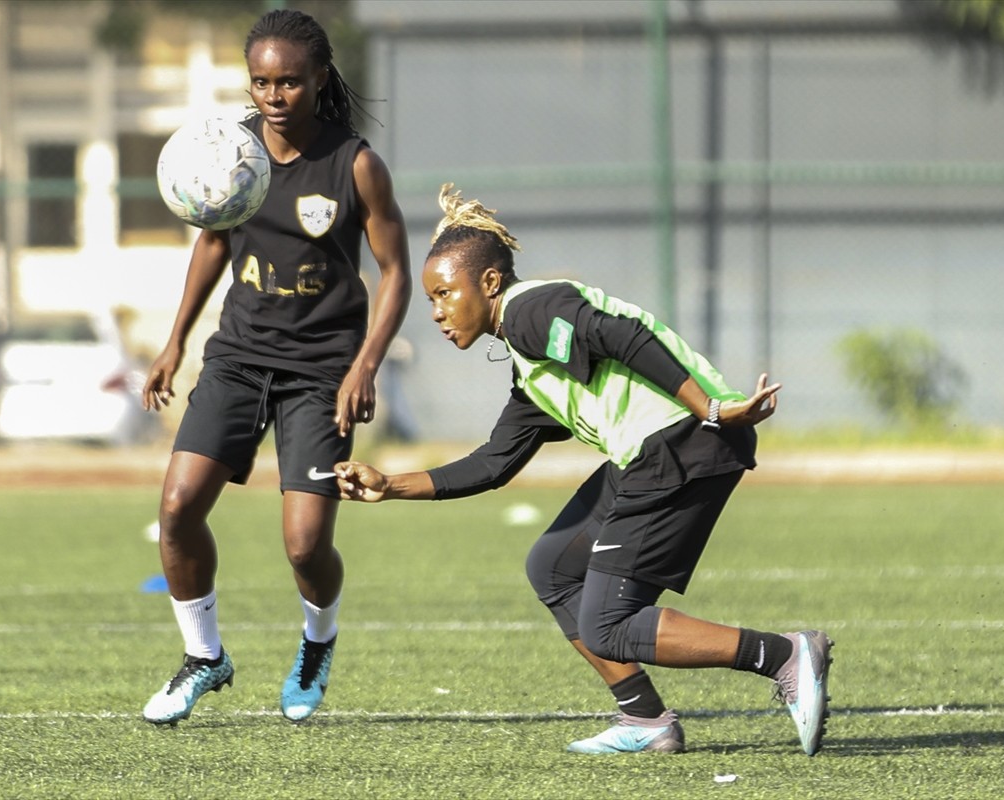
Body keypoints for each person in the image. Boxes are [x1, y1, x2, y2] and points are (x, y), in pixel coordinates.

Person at [335, 185, 832, 756]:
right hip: (654, 450)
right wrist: (389, 486)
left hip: (684, 443)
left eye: (445, 293)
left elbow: (622, 336)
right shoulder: (530, 359)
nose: (438, 312)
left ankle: (785, 655)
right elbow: (494, 463)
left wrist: (710, 408)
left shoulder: (530, 312)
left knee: (609, 625)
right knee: (552, 567)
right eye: (432, 299)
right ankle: (646, 720)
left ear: (490, 284)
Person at [140, 9, 411, 726]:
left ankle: (317, 640)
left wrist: (364, 366)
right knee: (176, 508)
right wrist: (175, 342)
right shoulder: (234, 154)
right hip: (238, 358)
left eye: (289, 80)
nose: (273, 94)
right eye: (261, 81)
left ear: (320, 78)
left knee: (305, 544)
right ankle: (205, 657)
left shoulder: (355, 164)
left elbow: (396, 273)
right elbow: (209, 244)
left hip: (322, 371)